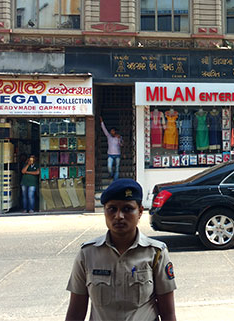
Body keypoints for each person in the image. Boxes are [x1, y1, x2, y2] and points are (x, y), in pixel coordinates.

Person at [65, 179, 177, 321]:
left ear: (140, 211)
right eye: (112, 209)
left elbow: (168, 313)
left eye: (127, 209)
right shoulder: (87, 254)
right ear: (104, 211)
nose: (119, 216)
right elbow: (76, 313)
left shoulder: (156, 253)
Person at [100, 116, 123, 182]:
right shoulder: (108, 136)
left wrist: (119, 139)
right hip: (110, 154)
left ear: (115, 132)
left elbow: (121, 145)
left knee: (117, 168)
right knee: (109, 167)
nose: (112, 132)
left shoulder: (119, 137)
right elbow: (104, 129)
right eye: (111, 131)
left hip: (117, 154)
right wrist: (101, 121)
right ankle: (111, 175)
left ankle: (115, 180)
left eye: (113, 131)